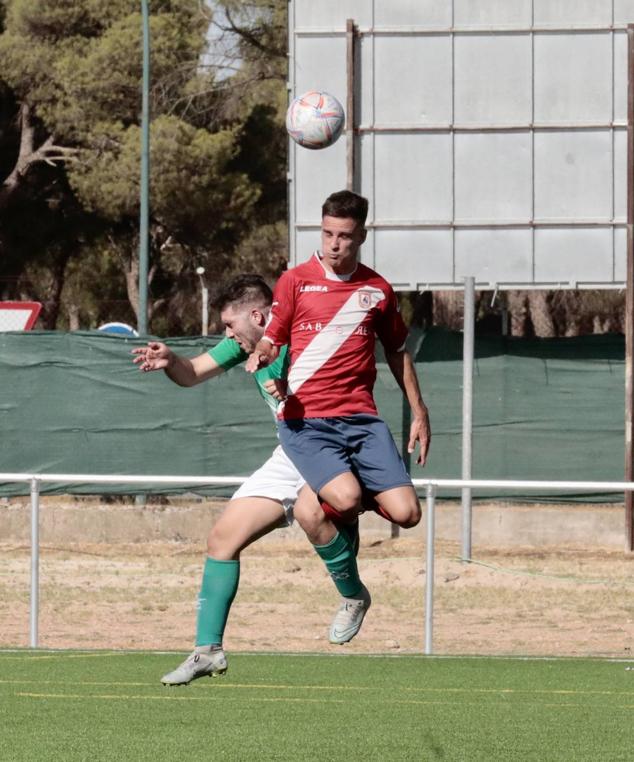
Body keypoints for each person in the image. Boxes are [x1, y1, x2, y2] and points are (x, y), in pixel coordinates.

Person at [132, 274, 374, 686]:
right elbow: (193, 372)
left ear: (258, 316)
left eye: (230, 326)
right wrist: (171, 361)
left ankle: (353, 595)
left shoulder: (304, 338)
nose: (227, 335)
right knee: (221, 539)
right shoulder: (243, 344)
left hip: (330, 445)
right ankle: (208, 651)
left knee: (312, 514)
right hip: (291, 451)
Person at [246, 190, 432, 641]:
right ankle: (352, 592)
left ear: (361, 236)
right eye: (328, 233)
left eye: (345, 236)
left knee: (408, 515)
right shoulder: (295, 281)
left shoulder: (378, 291)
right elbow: (272, 338)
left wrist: (420, 411)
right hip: (306, 421)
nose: (334, 244)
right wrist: (262, 353)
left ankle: (319, 502)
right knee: (345, 500)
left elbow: (397, 352)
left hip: (363, 421)